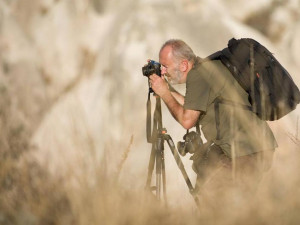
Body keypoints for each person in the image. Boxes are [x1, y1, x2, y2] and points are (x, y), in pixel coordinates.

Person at [148, 39, 278, 208]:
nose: (163, 71)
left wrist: (164, 93)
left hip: (246, 152)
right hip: (253, 147)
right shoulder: (205, 69)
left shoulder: (198, 76)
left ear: (183, 65)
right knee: (214, 195)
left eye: (165, 65)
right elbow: (194, 104)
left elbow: (187, 120)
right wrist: (167, 90)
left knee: (218, 206)